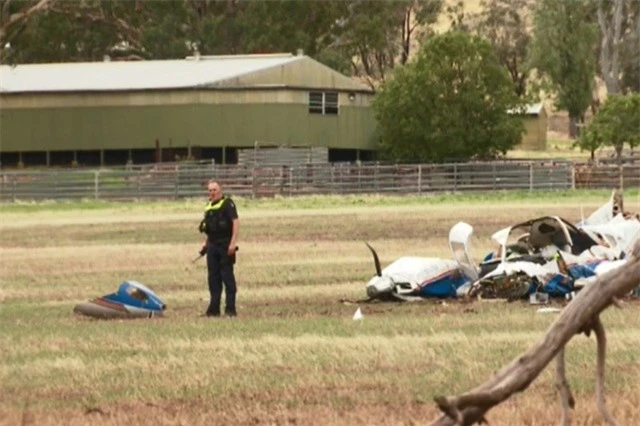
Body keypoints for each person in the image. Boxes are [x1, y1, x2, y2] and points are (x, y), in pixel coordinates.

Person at [198, 180, 239, 317]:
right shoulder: (208, 206)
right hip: (212, 246)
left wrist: (233, 243)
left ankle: (230, 310)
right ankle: (213, 310)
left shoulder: (228, 204)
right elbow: (209, 229)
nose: (212, 193)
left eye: (214, 190)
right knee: (213, 279)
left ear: (221, 190)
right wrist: (206, 245)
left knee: (227, 278)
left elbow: (235, 223)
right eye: (210, 190)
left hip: (225, 245)